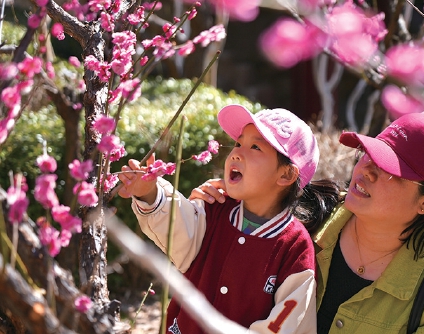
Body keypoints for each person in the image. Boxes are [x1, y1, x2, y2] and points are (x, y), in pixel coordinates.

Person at [190, 112, 424, 333]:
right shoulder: (302, 216)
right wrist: (202, 220)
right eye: (369, 153)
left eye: (390, 170)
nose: (366, 170)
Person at [117, 104, 339, 333]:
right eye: (238, 143)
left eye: (255, 147)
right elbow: (177, 229)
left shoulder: (294, 246)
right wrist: (150, 192)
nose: (236, 153)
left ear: (286, 174)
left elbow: (287, 323)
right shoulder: (215, 209)